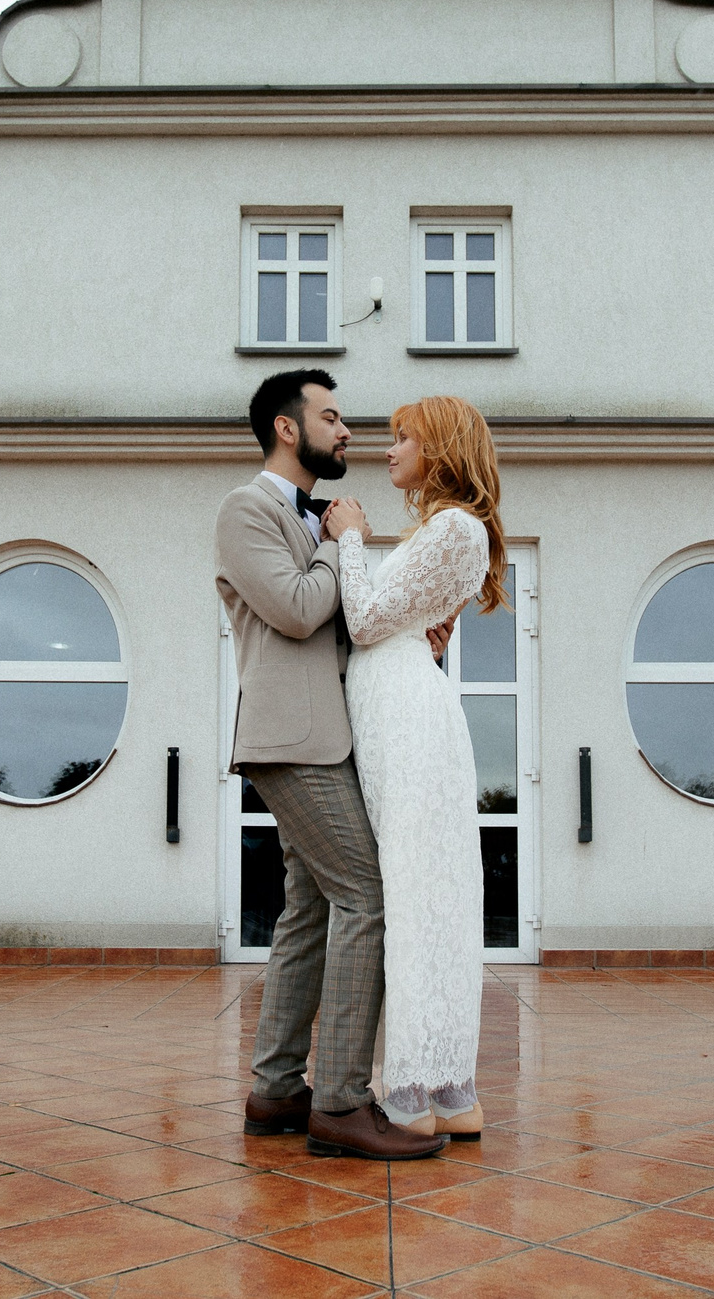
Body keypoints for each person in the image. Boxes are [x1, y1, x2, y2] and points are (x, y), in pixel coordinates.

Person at [214, 370, 447, 1161]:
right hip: (292, 738)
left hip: (328, 734)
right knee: (366, 893)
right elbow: (296, 607)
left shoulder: (312, 517)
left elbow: (349, 625)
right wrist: (339, 539)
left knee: (309, 909)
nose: (348, 431)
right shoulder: (246, 509)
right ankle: (342, 1100)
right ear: (288, 428)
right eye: (333, 416)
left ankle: (277, 1090)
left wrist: (413, 634)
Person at [321, 395, 505, 1139]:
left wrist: (350, 538)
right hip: (400, 705)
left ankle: (415, 1090)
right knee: (427, 893)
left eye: (404, 437)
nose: (388, 448)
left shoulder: (455, 525)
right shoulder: (447, 530)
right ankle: (449, 1088)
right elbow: (405, 626)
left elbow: (365, 622)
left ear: (443, 447)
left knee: (417, 894)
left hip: (406, 716)